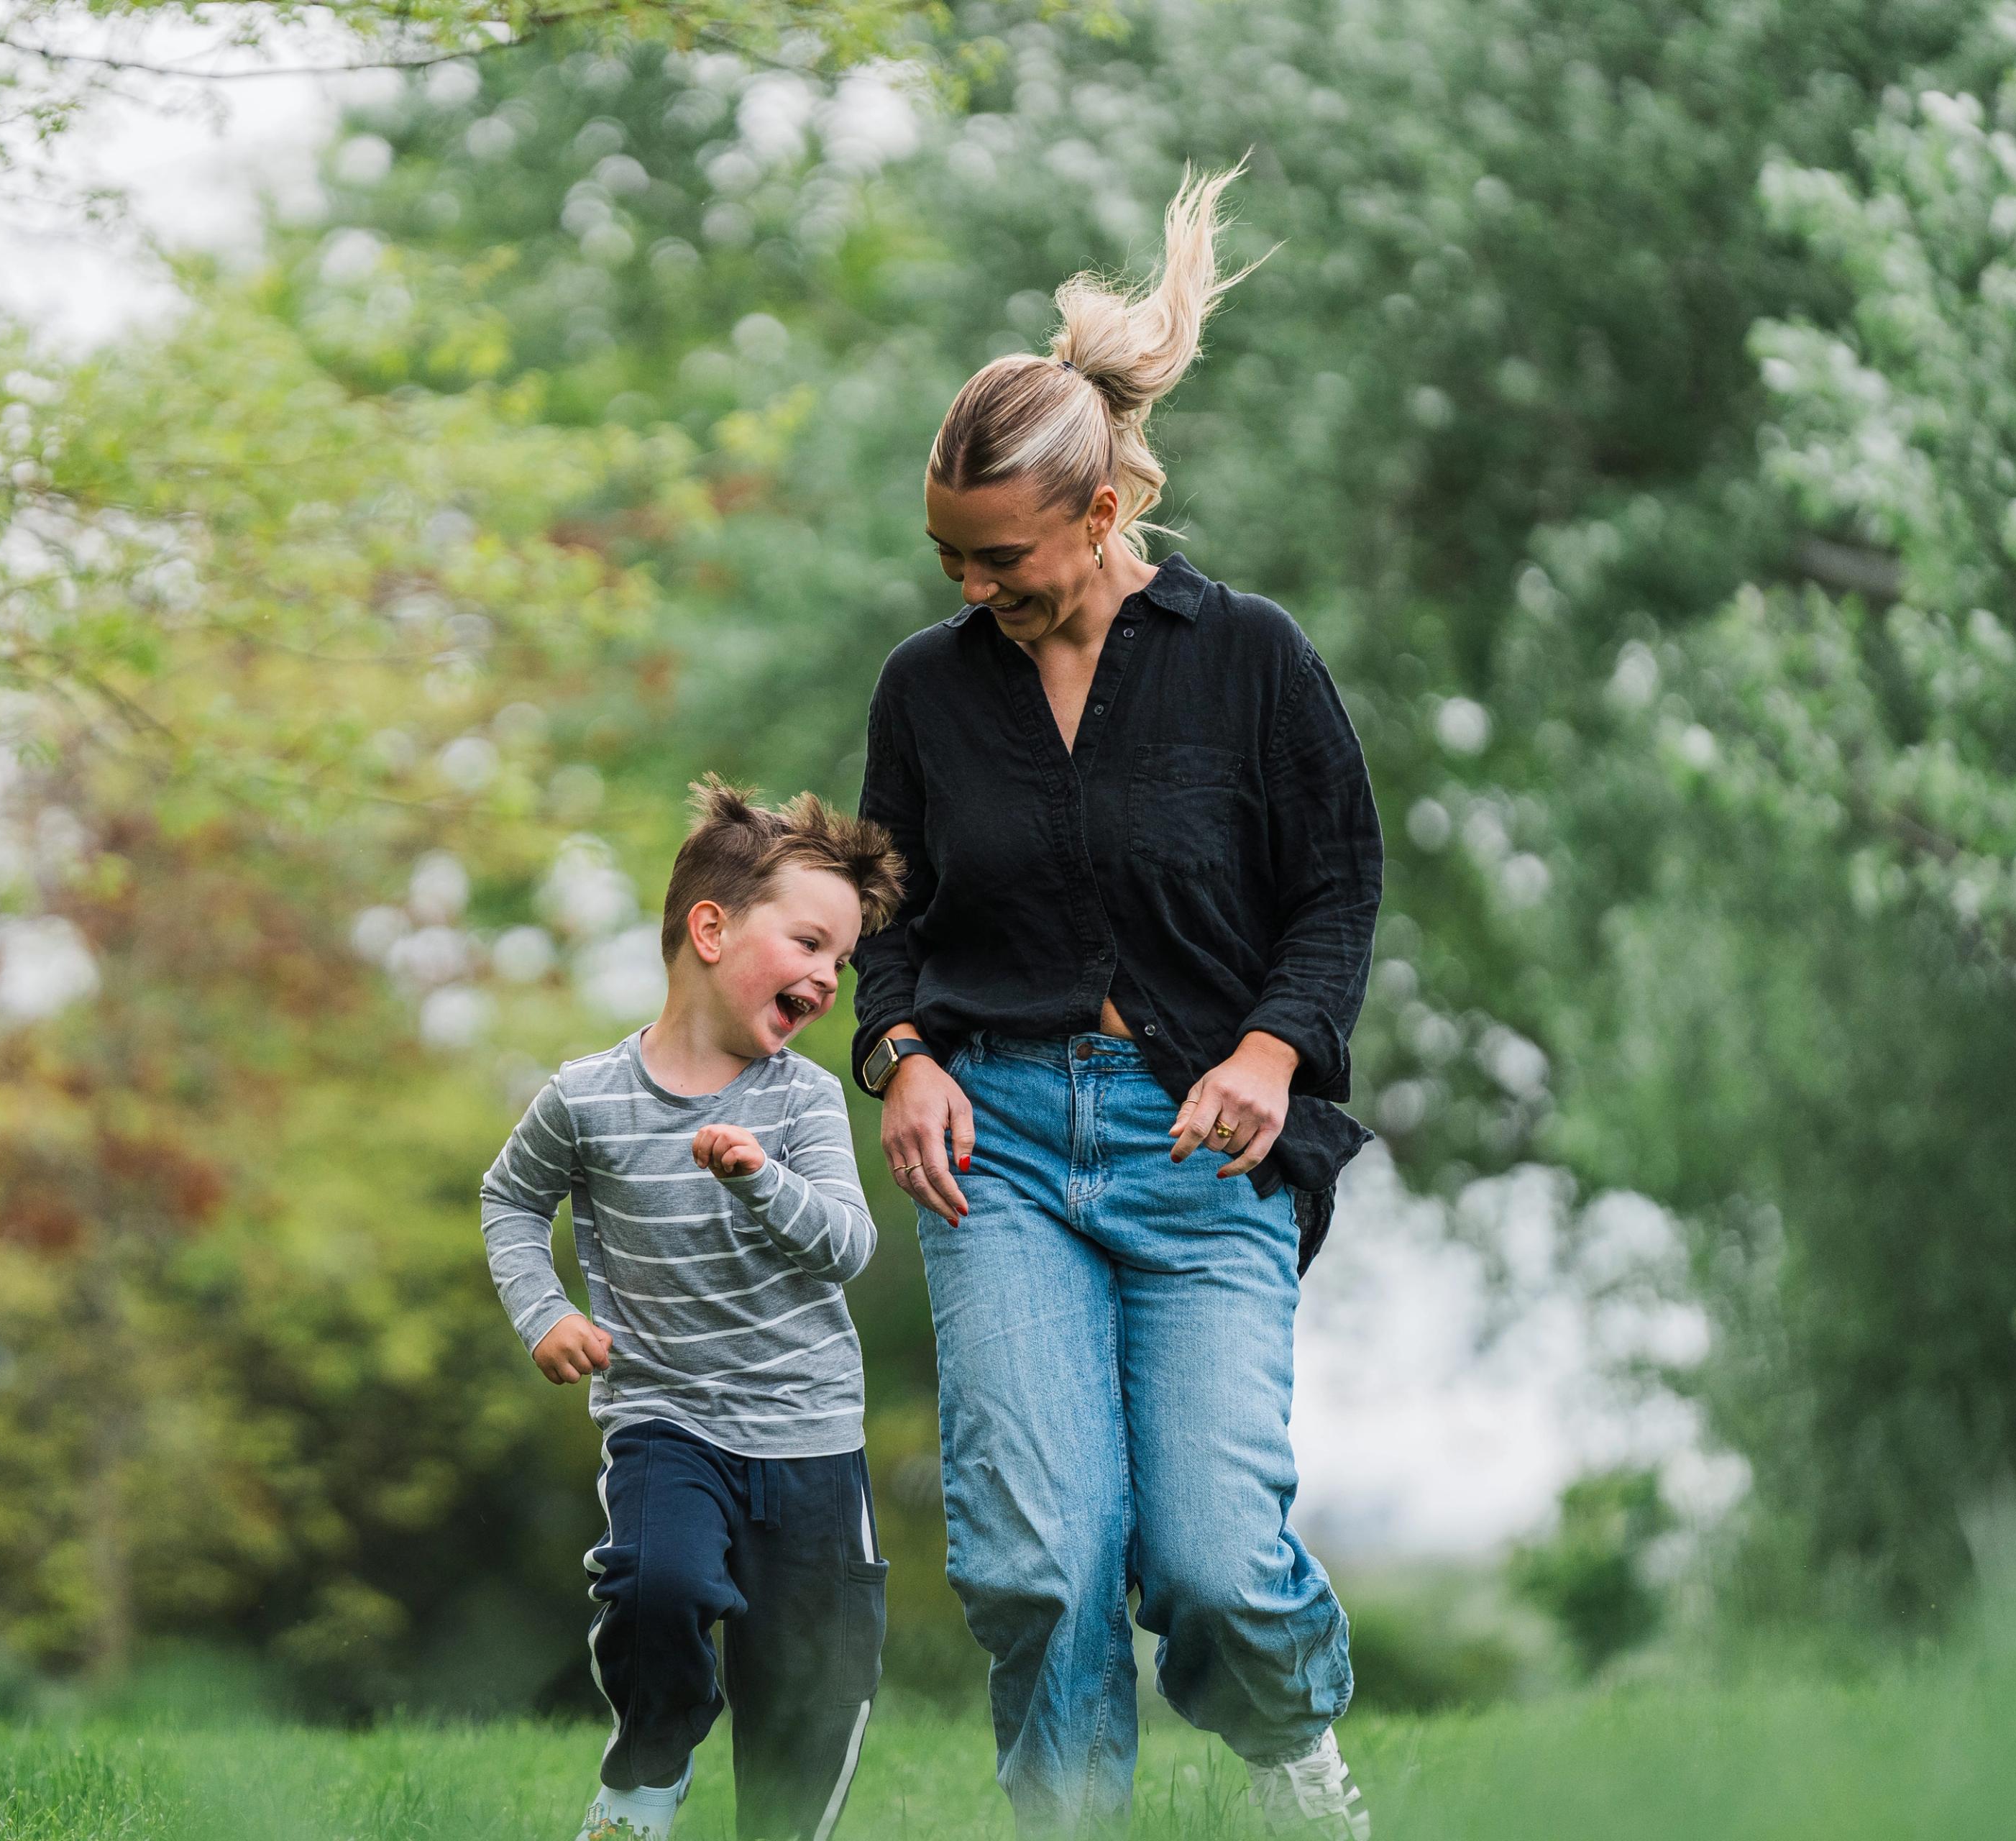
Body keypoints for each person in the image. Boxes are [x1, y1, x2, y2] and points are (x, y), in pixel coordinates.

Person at [851, 165, 1383, 1838]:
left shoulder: (1250, 658)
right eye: (945, 555)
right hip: (996, 1145)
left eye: (996, 556)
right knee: (1038, 1555)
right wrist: (900, 1053)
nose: (967, 588)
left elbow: (1336, 886)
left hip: (1199, 1150)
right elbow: (891, 910)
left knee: (1215, 1564)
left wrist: (1273, 1050)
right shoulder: (927, 690)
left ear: (1096, 516)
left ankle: (1295, 1746)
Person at [482, 779, 908, 1841]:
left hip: (809, 1439)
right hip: (664, 1420)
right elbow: (509, 1198)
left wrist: (763, 1179)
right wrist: (544, 1312)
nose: (827, 976)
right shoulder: (588, 1097)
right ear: (710, 930)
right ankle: (641, 1787)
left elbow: (849, 1245)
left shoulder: (804, 1101)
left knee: (814, 1687)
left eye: (842, 963)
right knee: (655, 1589)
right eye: (810, 942)